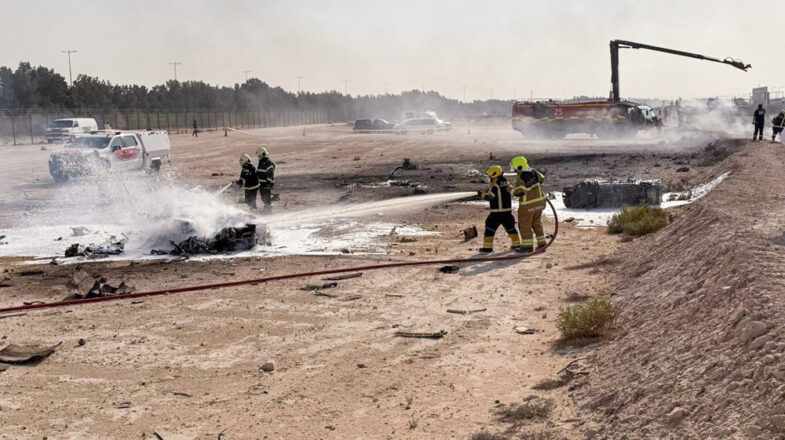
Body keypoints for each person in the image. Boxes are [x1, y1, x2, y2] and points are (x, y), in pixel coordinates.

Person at [478, 165, 521, 253]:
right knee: (511, 228)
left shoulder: (495, 185)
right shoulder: (505, 182)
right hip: (507, 212)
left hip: (496, 213)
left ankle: (487, 248)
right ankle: (517, 245)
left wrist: (482, 195)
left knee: (490, 228)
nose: (489, 177)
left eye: (490, 176)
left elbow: (490, 197)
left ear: (494, 175)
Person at [510, 156, 547, 253]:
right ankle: (542, 244)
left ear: (519, 167)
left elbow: (519, 192)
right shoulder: (534, 172)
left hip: (528, 206)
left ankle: (527, 246)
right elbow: (542, 179)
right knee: (537, 223)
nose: (514, 169)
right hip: (540, 203)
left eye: (514, 167)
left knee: (524, 225)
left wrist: (510, 189)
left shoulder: (521, 176)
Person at [255, 147, 276, 214]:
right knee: (263, 198)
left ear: (263, 154)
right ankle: (267, 209)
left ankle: (268, 211)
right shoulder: (261, 162)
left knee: (266, 198)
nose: (258, 157)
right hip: (262, 184)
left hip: (266, 184)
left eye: (259, 155)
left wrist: (268, 183)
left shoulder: (268, 163)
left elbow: (271, 174)